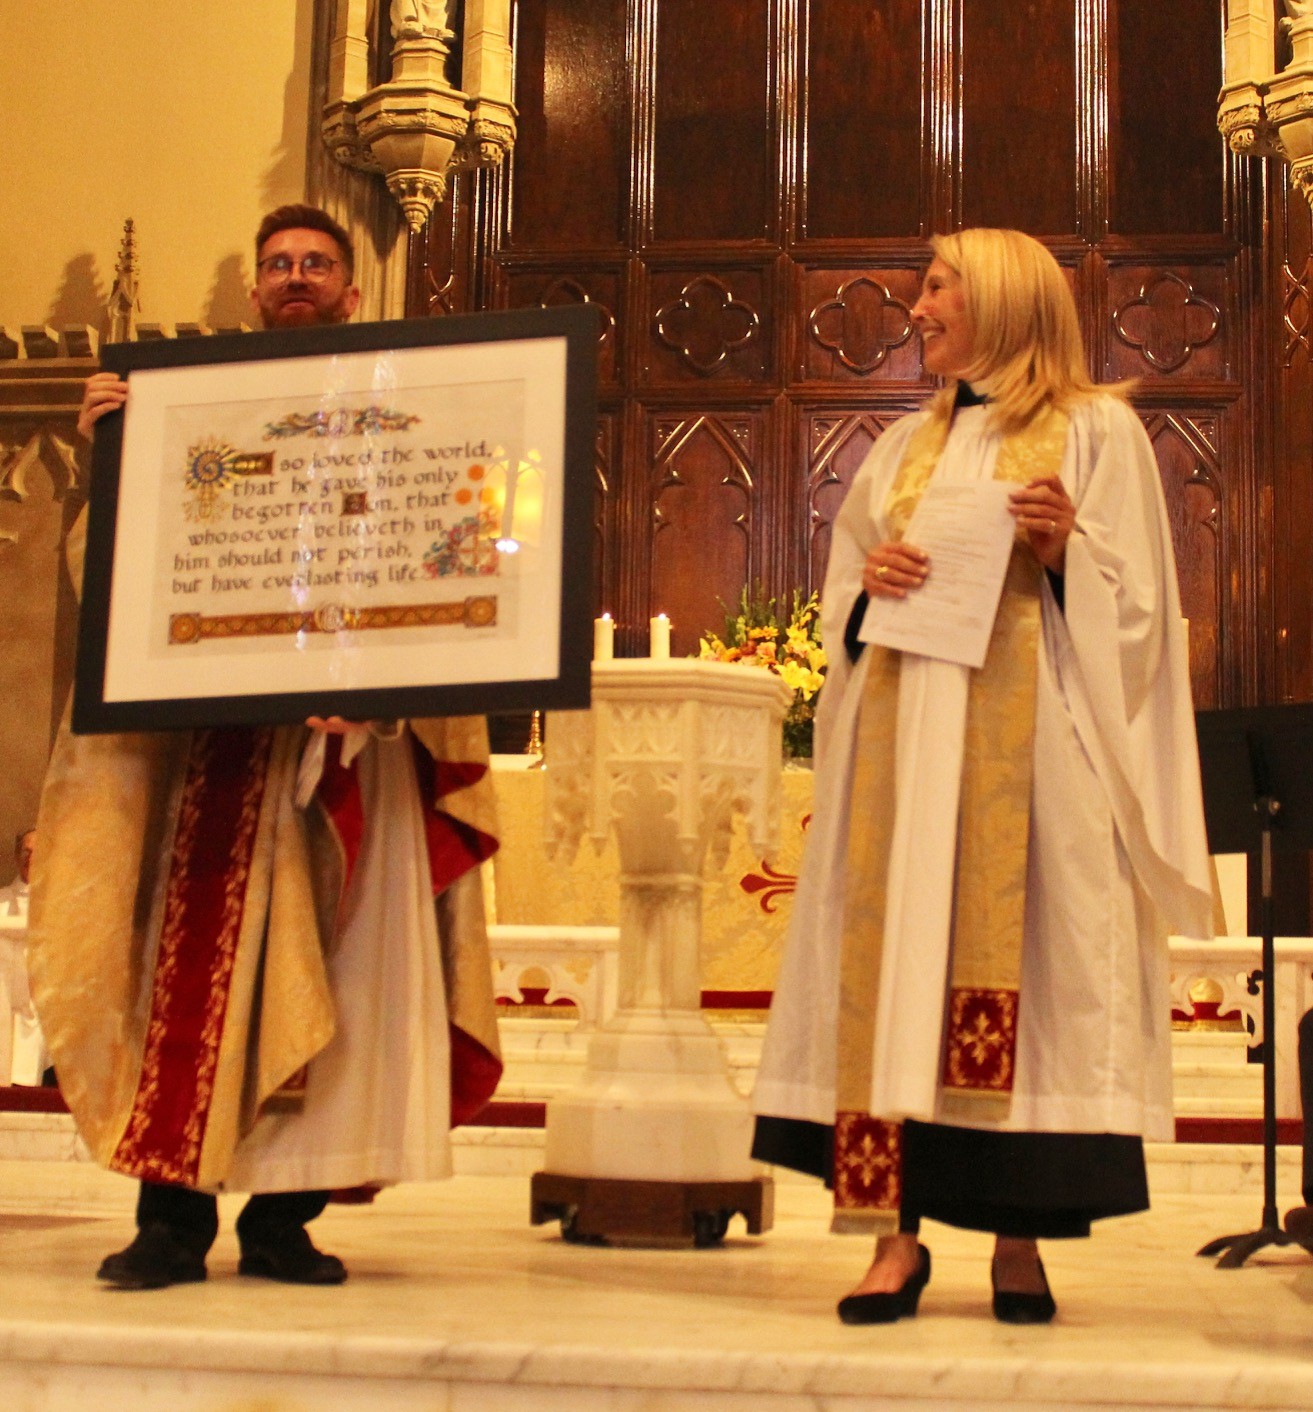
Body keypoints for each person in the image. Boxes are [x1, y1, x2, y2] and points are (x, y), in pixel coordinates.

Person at [28, 204, 503, 1289]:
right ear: (253, 292)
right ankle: (170, 1222)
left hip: (353, 742)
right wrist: (116, 458)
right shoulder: (195, 417)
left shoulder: (405, 412)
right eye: (279, 264)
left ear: (350, 292)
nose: (296, 277)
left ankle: (286, 1220)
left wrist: (379, 694)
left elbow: (444, 559)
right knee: (185, 979)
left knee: (347, 979)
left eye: (316, 264)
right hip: (213, 747)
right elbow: (113, 578)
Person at [751, 228, 1214, 1325]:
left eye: (936, 289)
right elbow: (842, 592)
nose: (915, 309)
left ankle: (1018, 1243)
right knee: (894, 978)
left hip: (1032, 760)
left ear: (1000, 299)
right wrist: (870, 585)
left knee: (1028, 982)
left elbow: (1141, 611)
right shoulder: (899, 445)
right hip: (902, 753)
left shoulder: (1095, 429)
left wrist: (1061, 552)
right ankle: (892, 1244)